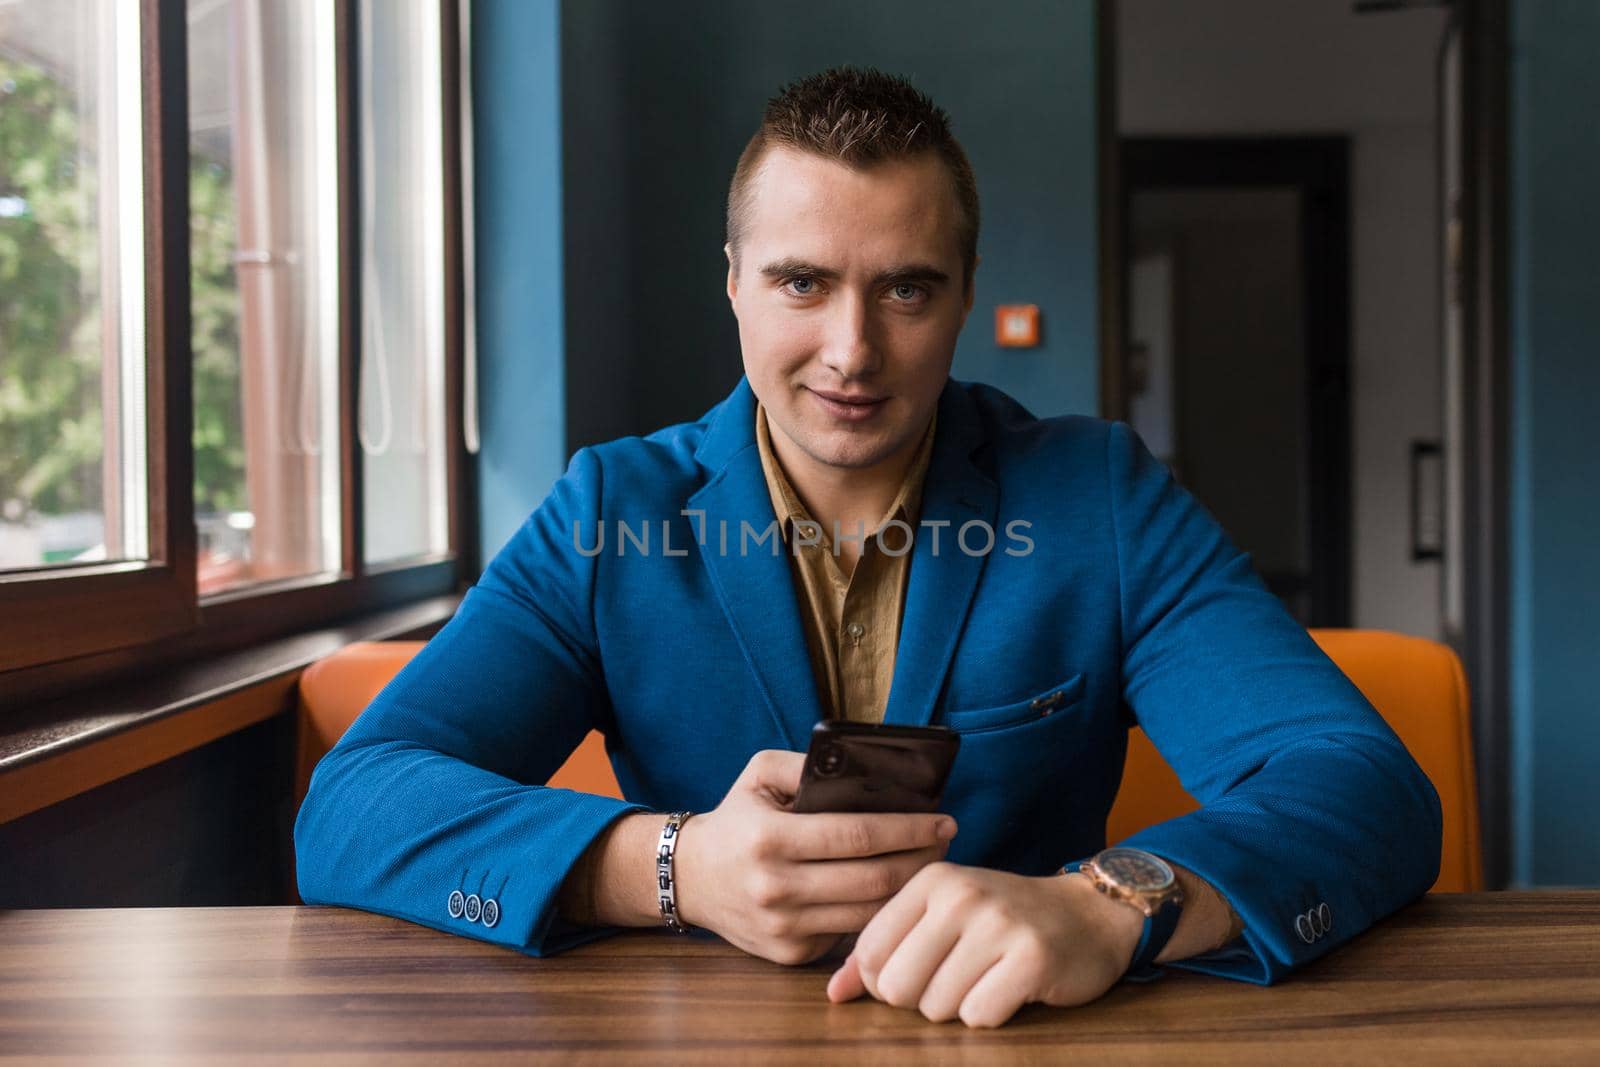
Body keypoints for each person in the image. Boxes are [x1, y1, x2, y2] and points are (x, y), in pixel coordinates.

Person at [295, 66, 1442, 1029]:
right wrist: (672, 866)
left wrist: (1109, 903)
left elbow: (1364, 787)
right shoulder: (610, 510)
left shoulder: (1100, 495)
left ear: (963, 298)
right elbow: (354, 806)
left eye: (904, 288)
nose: (852, 350)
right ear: (735, 282)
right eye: (802, 281)